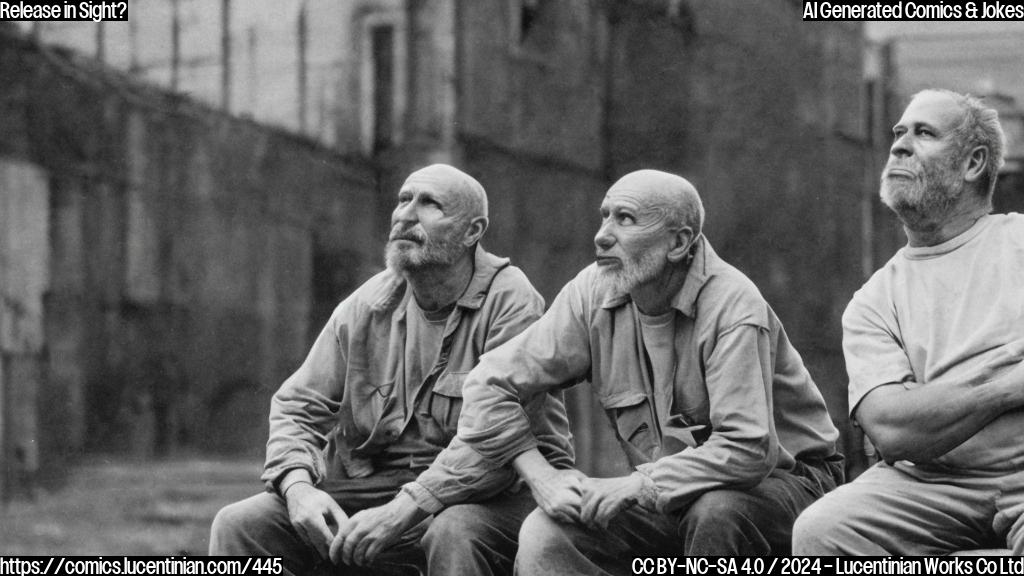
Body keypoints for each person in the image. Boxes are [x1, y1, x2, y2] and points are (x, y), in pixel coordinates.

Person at [451, 169, 843, 573]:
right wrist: (541, 477)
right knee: (550, 530)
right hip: (667, 488)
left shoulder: (734, 306)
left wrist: (639, 484)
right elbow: (488, 382)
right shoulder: (593, 292)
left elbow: (748, 449)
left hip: (789, 481)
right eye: (604, 216)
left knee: (717, 511)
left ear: (678, 243)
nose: (601, 235)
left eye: (625, 219)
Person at [209, 164, 573, 575]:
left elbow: (493, 442)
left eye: (429, 204)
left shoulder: (511, 300)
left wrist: (403, 510)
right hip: (374, 487)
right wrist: (298, 489)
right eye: (403, 199)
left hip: (493, 491)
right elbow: (298, 405)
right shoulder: (369, 303)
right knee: (241, 524)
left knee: (455, 531)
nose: (405, 214)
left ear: (473, 232)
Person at [793, 89, 1024, 555]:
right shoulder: (873, 302)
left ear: (973, 164)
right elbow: (894, 430)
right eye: (898, 134)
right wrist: (1005, 387)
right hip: (931, 486)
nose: (898, 146)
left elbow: (912, 415)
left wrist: (932, 400)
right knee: (822, 532)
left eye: (924, 133)